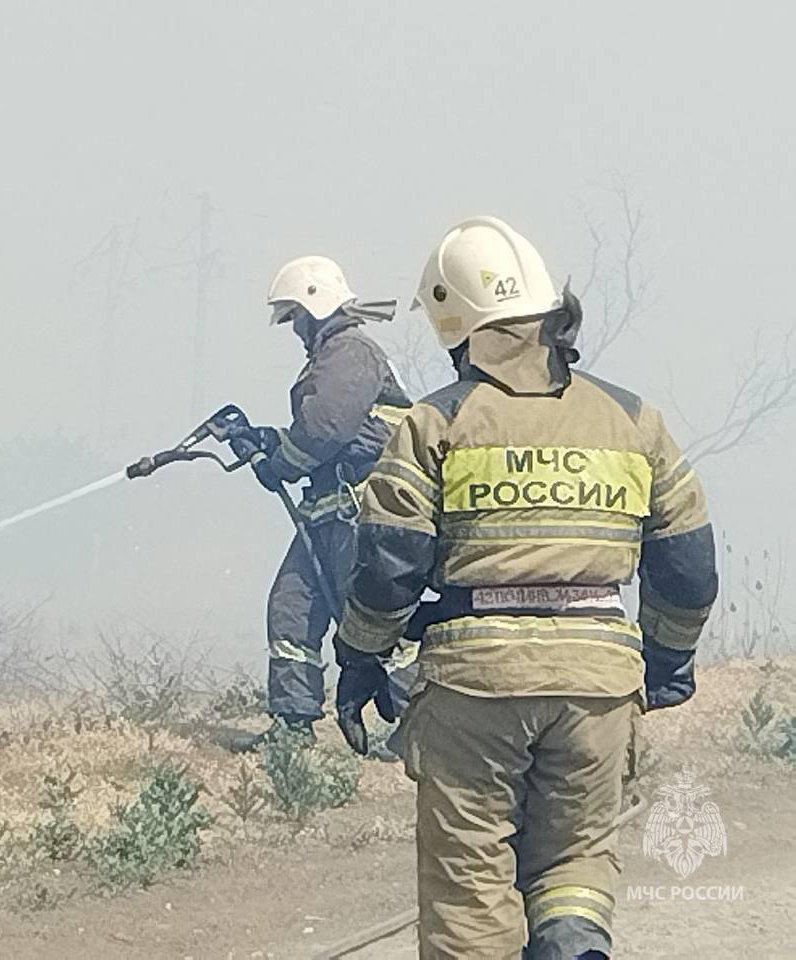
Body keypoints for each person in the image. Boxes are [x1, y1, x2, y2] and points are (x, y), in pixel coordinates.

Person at [332, 216, 717, 958]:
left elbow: (389, 567)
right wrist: (668, 662)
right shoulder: (633, 420)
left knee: (471, 890)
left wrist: (359, 658)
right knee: (573, 866)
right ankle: (572, 944)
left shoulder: (433, 423)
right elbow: (688, 563)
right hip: (597, 689)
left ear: (455, 324)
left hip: (475, 691)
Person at [228, 255, 411, 753]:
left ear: (316, 305)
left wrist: (280, 463)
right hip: (328, 513)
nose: (294, 329)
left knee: (376, 617)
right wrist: (270, 442)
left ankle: (417, 728)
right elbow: (318, 433)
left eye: (296, 317)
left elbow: (326, 430)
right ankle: (293, 724)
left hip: (364, 513)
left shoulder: (351, 350)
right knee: (291, 609)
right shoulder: (333, 356)